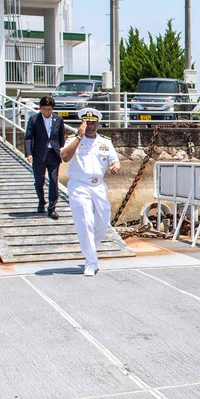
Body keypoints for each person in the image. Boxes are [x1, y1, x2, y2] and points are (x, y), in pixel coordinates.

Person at [60, 107, 120, 276]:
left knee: (102, 221)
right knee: (86, 221)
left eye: (93, 123)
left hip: (99, 185)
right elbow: (64, 157)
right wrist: (79, 136)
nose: (91, 127)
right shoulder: (74, 140)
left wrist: (116, 166)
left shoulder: (105, 142)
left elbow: (114, 160)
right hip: (79, 185)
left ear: (98, 124)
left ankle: (89, 248)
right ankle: (91, 262)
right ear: (83, 123)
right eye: (88, 123)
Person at [24, 96, 66, 219]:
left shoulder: (58, 119)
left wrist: (61, 150)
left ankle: (52, 208)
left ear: (52, 108)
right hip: (39, 154)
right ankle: (41, 201)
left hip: (53, 154)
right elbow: (28, 137)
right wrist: (28, 153)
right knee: (39, 181)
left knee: (53, 181)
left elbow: (61, 137)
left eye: (49, 109)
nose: (46, 111)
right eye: (44, 109)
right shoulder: (33, 119)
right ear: (40, 108)